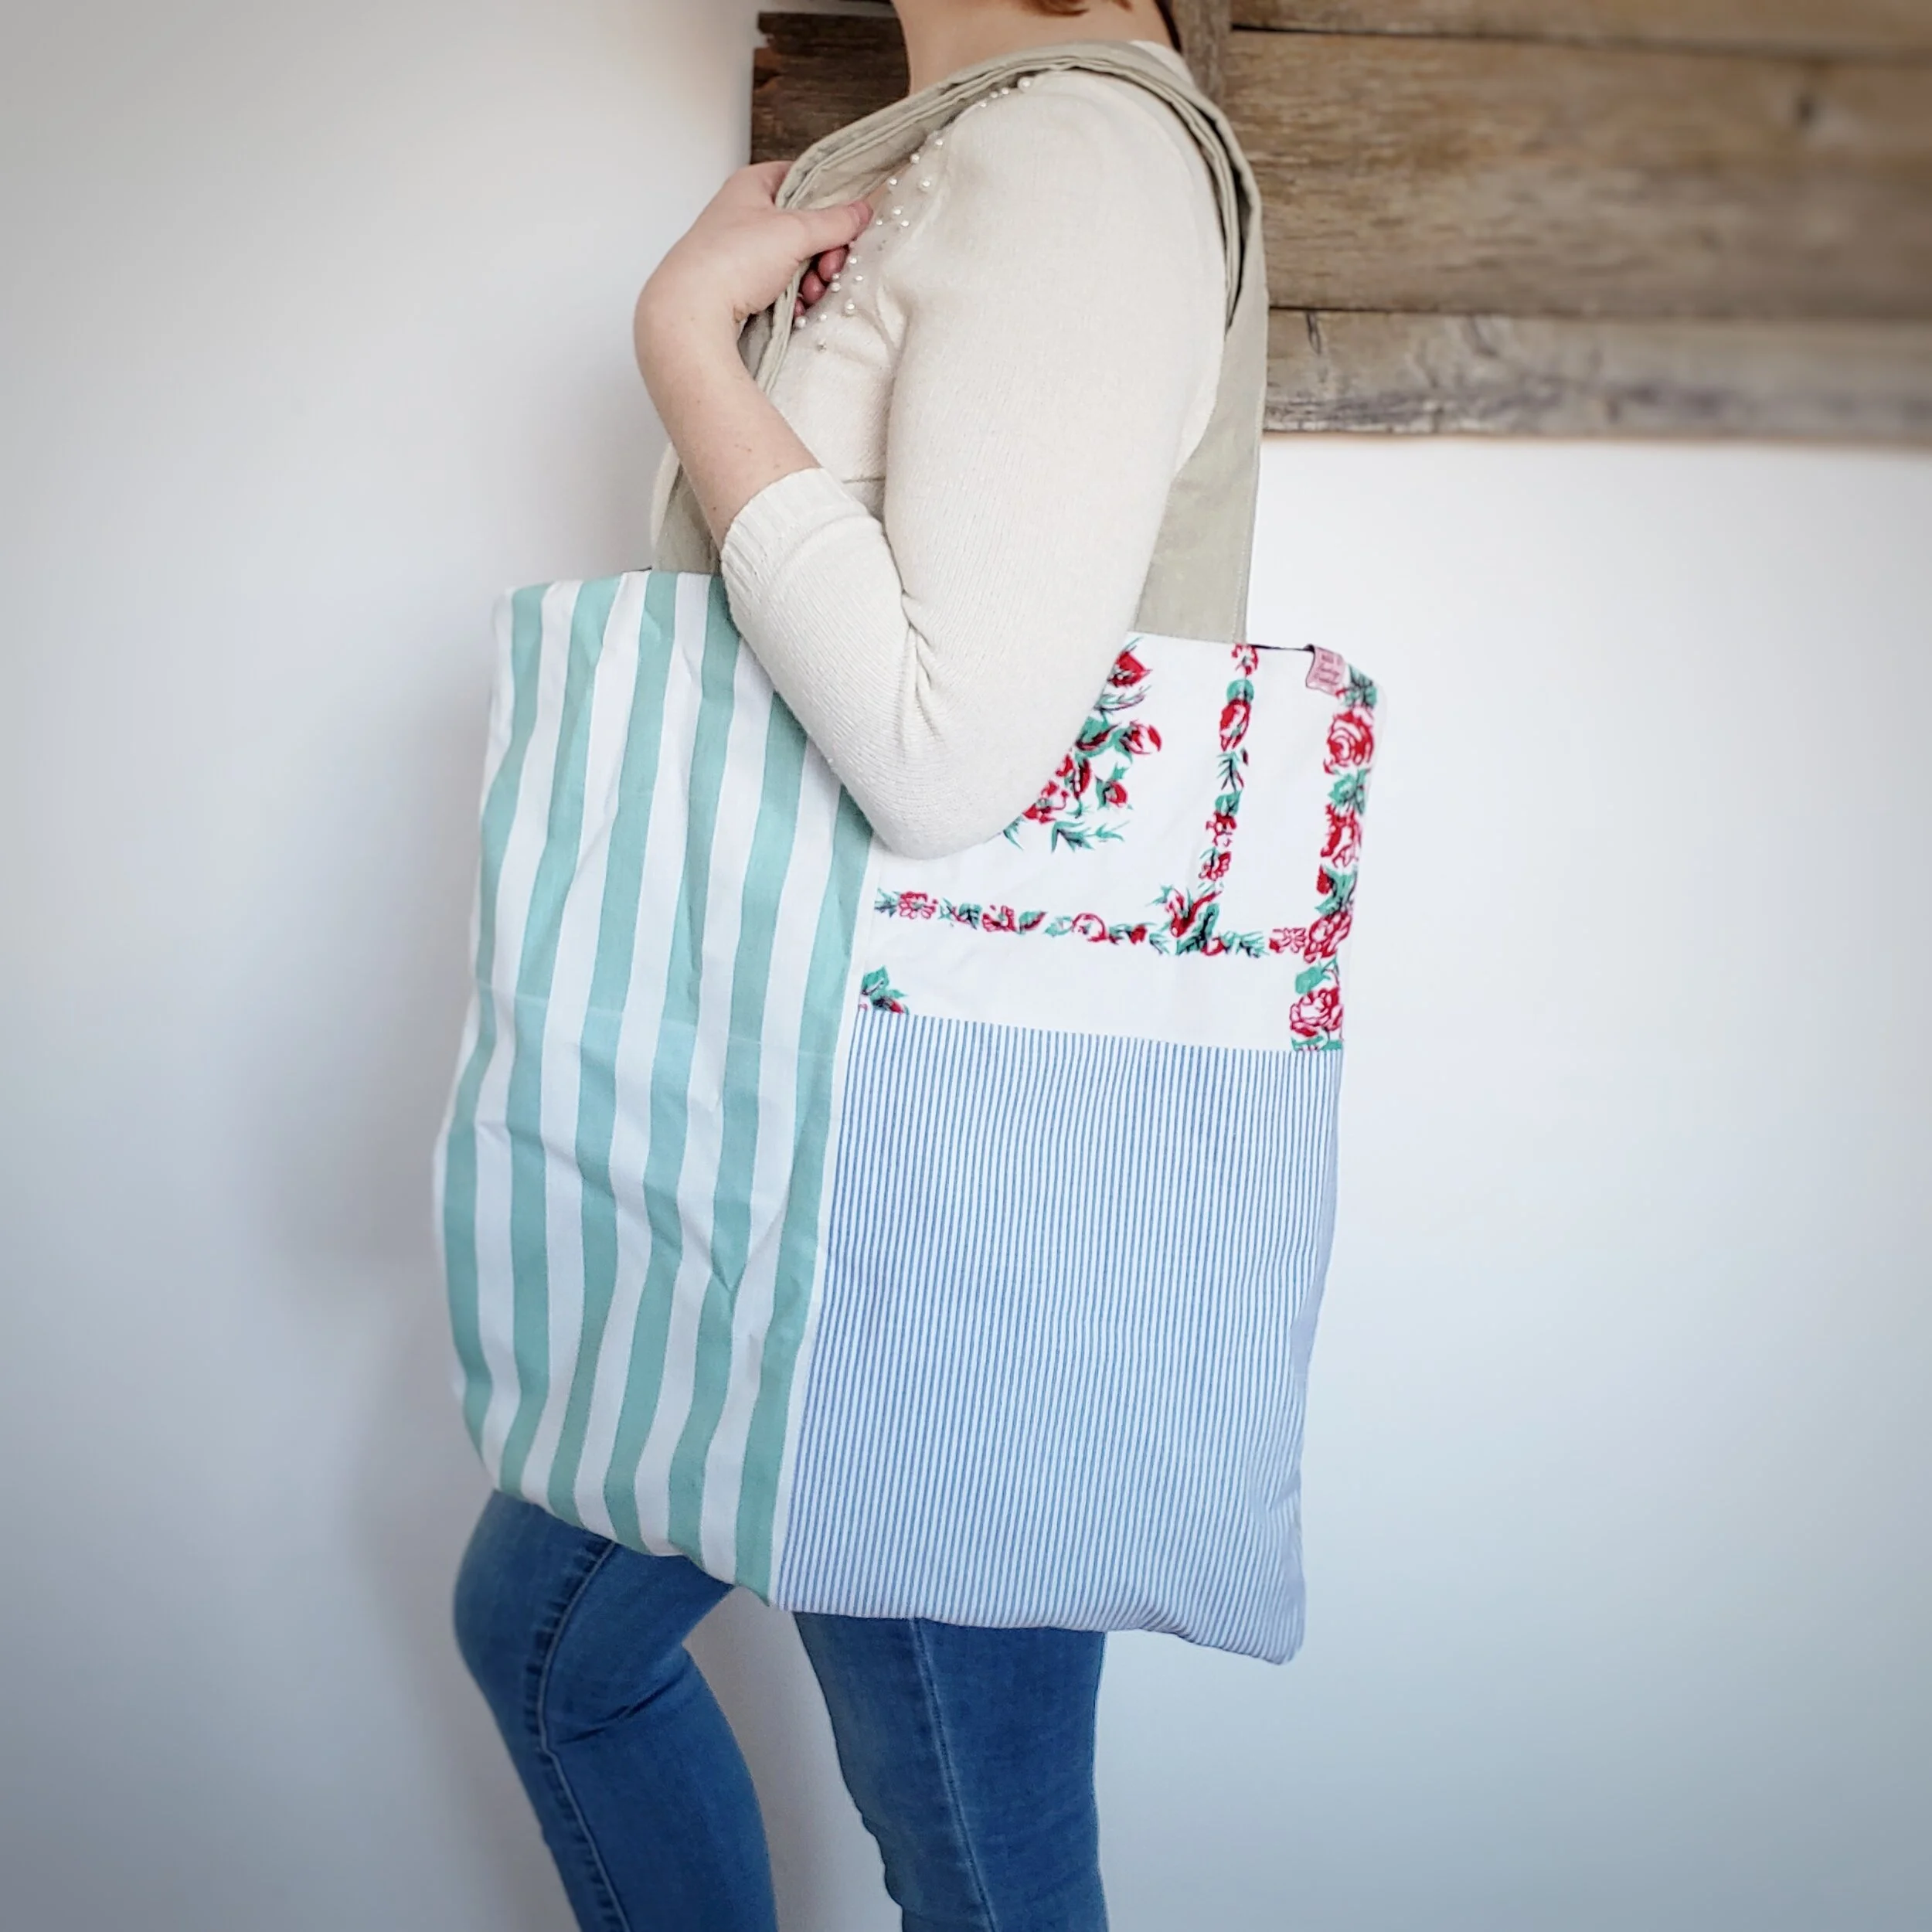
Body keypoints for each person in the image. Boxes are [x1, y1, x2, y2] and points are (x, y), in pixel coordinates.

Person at [453, 4, 1237, 1927]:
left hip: (908, 1161)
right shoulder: (992, 144)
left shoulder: (1073, 158)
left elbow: (940, 758)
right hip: (831, 1125)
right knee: (567, 1648)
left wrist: (679, 341)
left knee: (968, 1848)